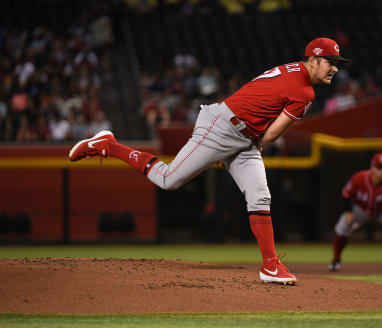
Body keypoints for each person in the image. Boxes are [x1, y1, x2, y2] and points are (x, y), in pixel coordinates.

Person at [69, 37, 349, 285]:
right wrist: (239, 149)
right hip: (224, 127)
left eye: (337, 62)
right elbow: (273, 134)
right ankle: (110, 145)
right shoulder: (305, 92)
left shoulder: (294, 69)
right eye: (330, 62)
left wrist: (242, 149)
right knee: (168, 179)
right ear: (312, 60)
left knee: (260, 196)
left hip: (242, 136)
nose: (335, 68)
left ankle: (270, 266)